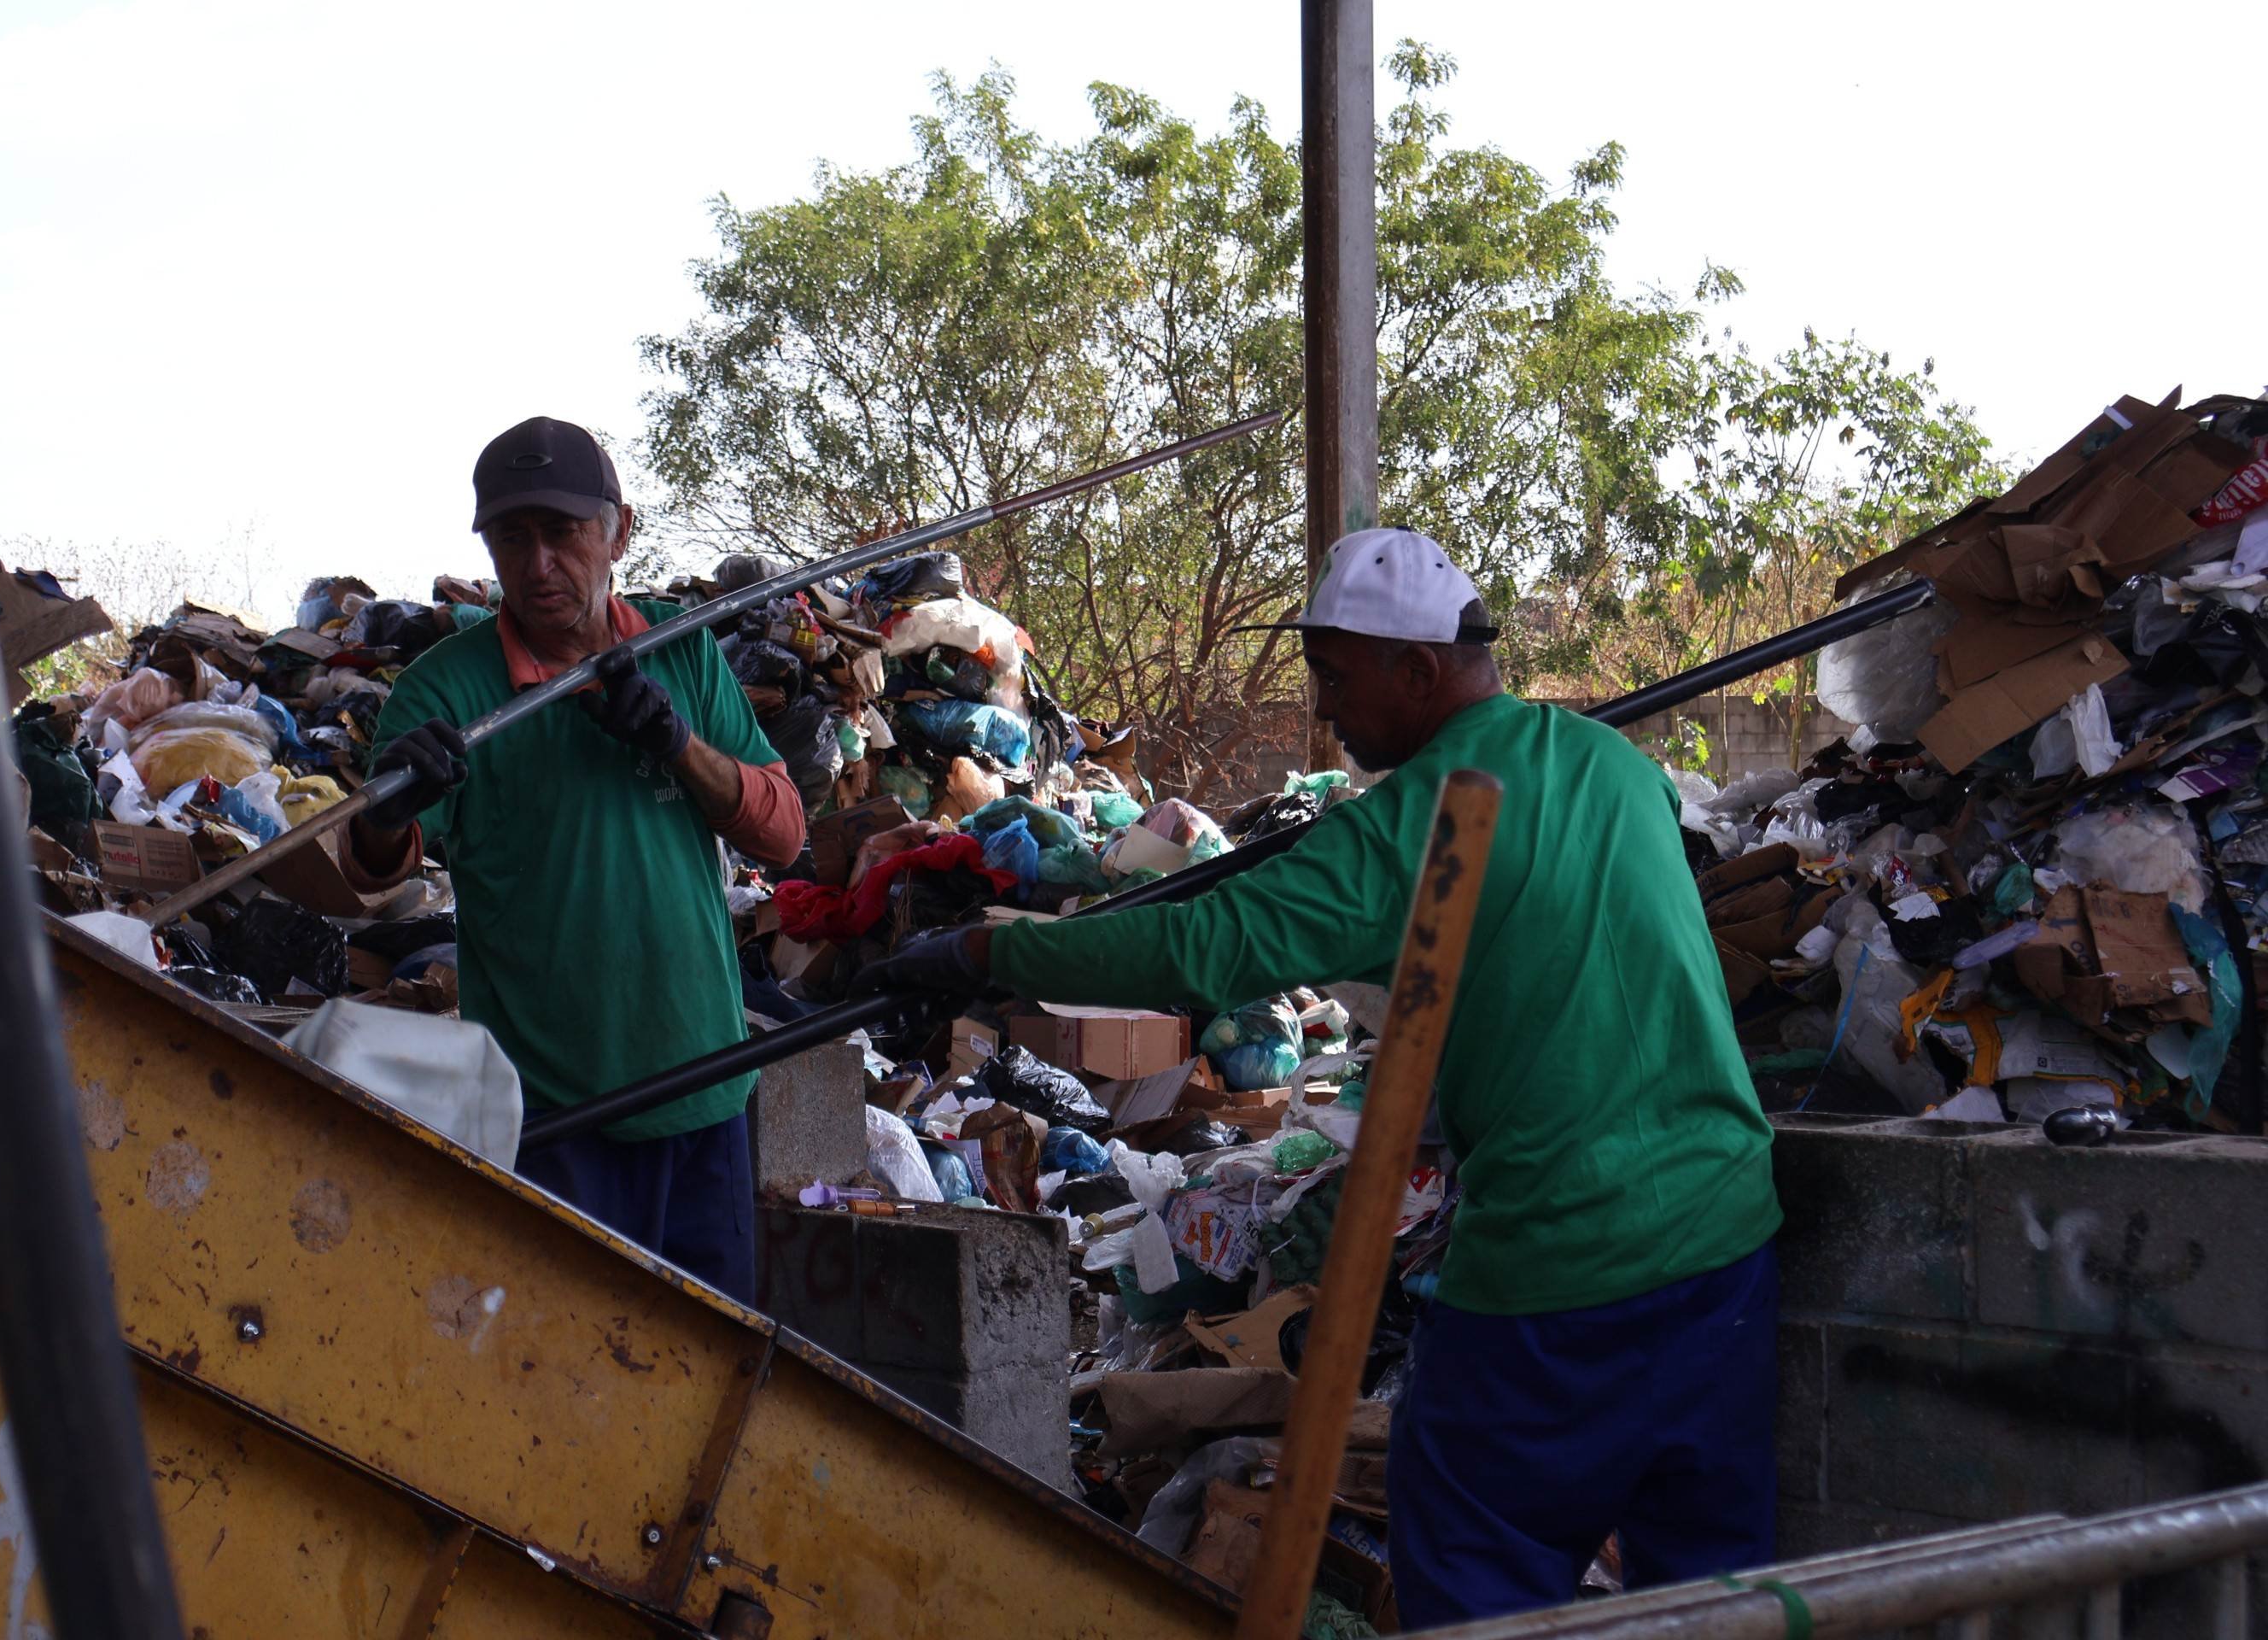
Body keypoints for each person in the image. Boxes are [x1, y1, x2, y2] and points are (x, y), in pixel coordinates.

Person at [860, 527, 1782, 1624]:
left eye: (1337, 681)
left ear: (1419, 671)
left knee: (1469, 1551)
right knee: (1718, 1590)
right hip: (1729, 1241)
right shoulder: (1615, 768)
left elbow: (1201, 950)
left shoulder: (1419, 826)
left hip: (1558, 1268)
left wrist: (986, 952)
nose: (1325, 714)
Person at [350, 415, 803, 1303]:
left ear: (618, 532)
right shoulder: (446, 691)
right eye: (512, 539)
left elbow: (784, 833)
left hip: (705, 1102)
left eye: (563, 533)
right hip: (554, 1124)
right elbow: (371, 872)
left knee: (707, 1387)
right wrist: (390, 807)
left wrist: (676, 742)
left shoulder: (683, 649)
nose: (539, 565)